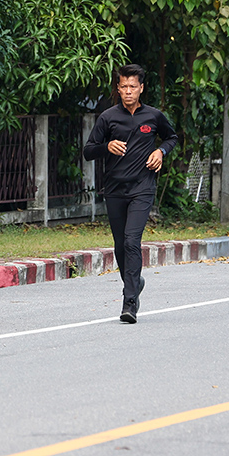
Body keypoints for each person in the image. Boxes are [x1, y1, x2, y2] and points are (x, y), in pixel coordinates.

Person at [83, 64, 178, 323]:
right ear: (118, 88)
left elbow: (171, 137)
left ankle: (129, 302)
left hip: (142, 188)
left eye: (132, 87)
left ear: (141, 88)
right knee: (120, 245)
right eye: (123, 86)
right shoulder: (108, 117)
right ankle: (135, 281)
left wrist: (160, 152)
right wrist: (106, 146)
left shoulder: (154, 116)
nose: (128, 91)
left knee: (131, 241)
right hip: (114, 189)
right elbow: (88, 150)